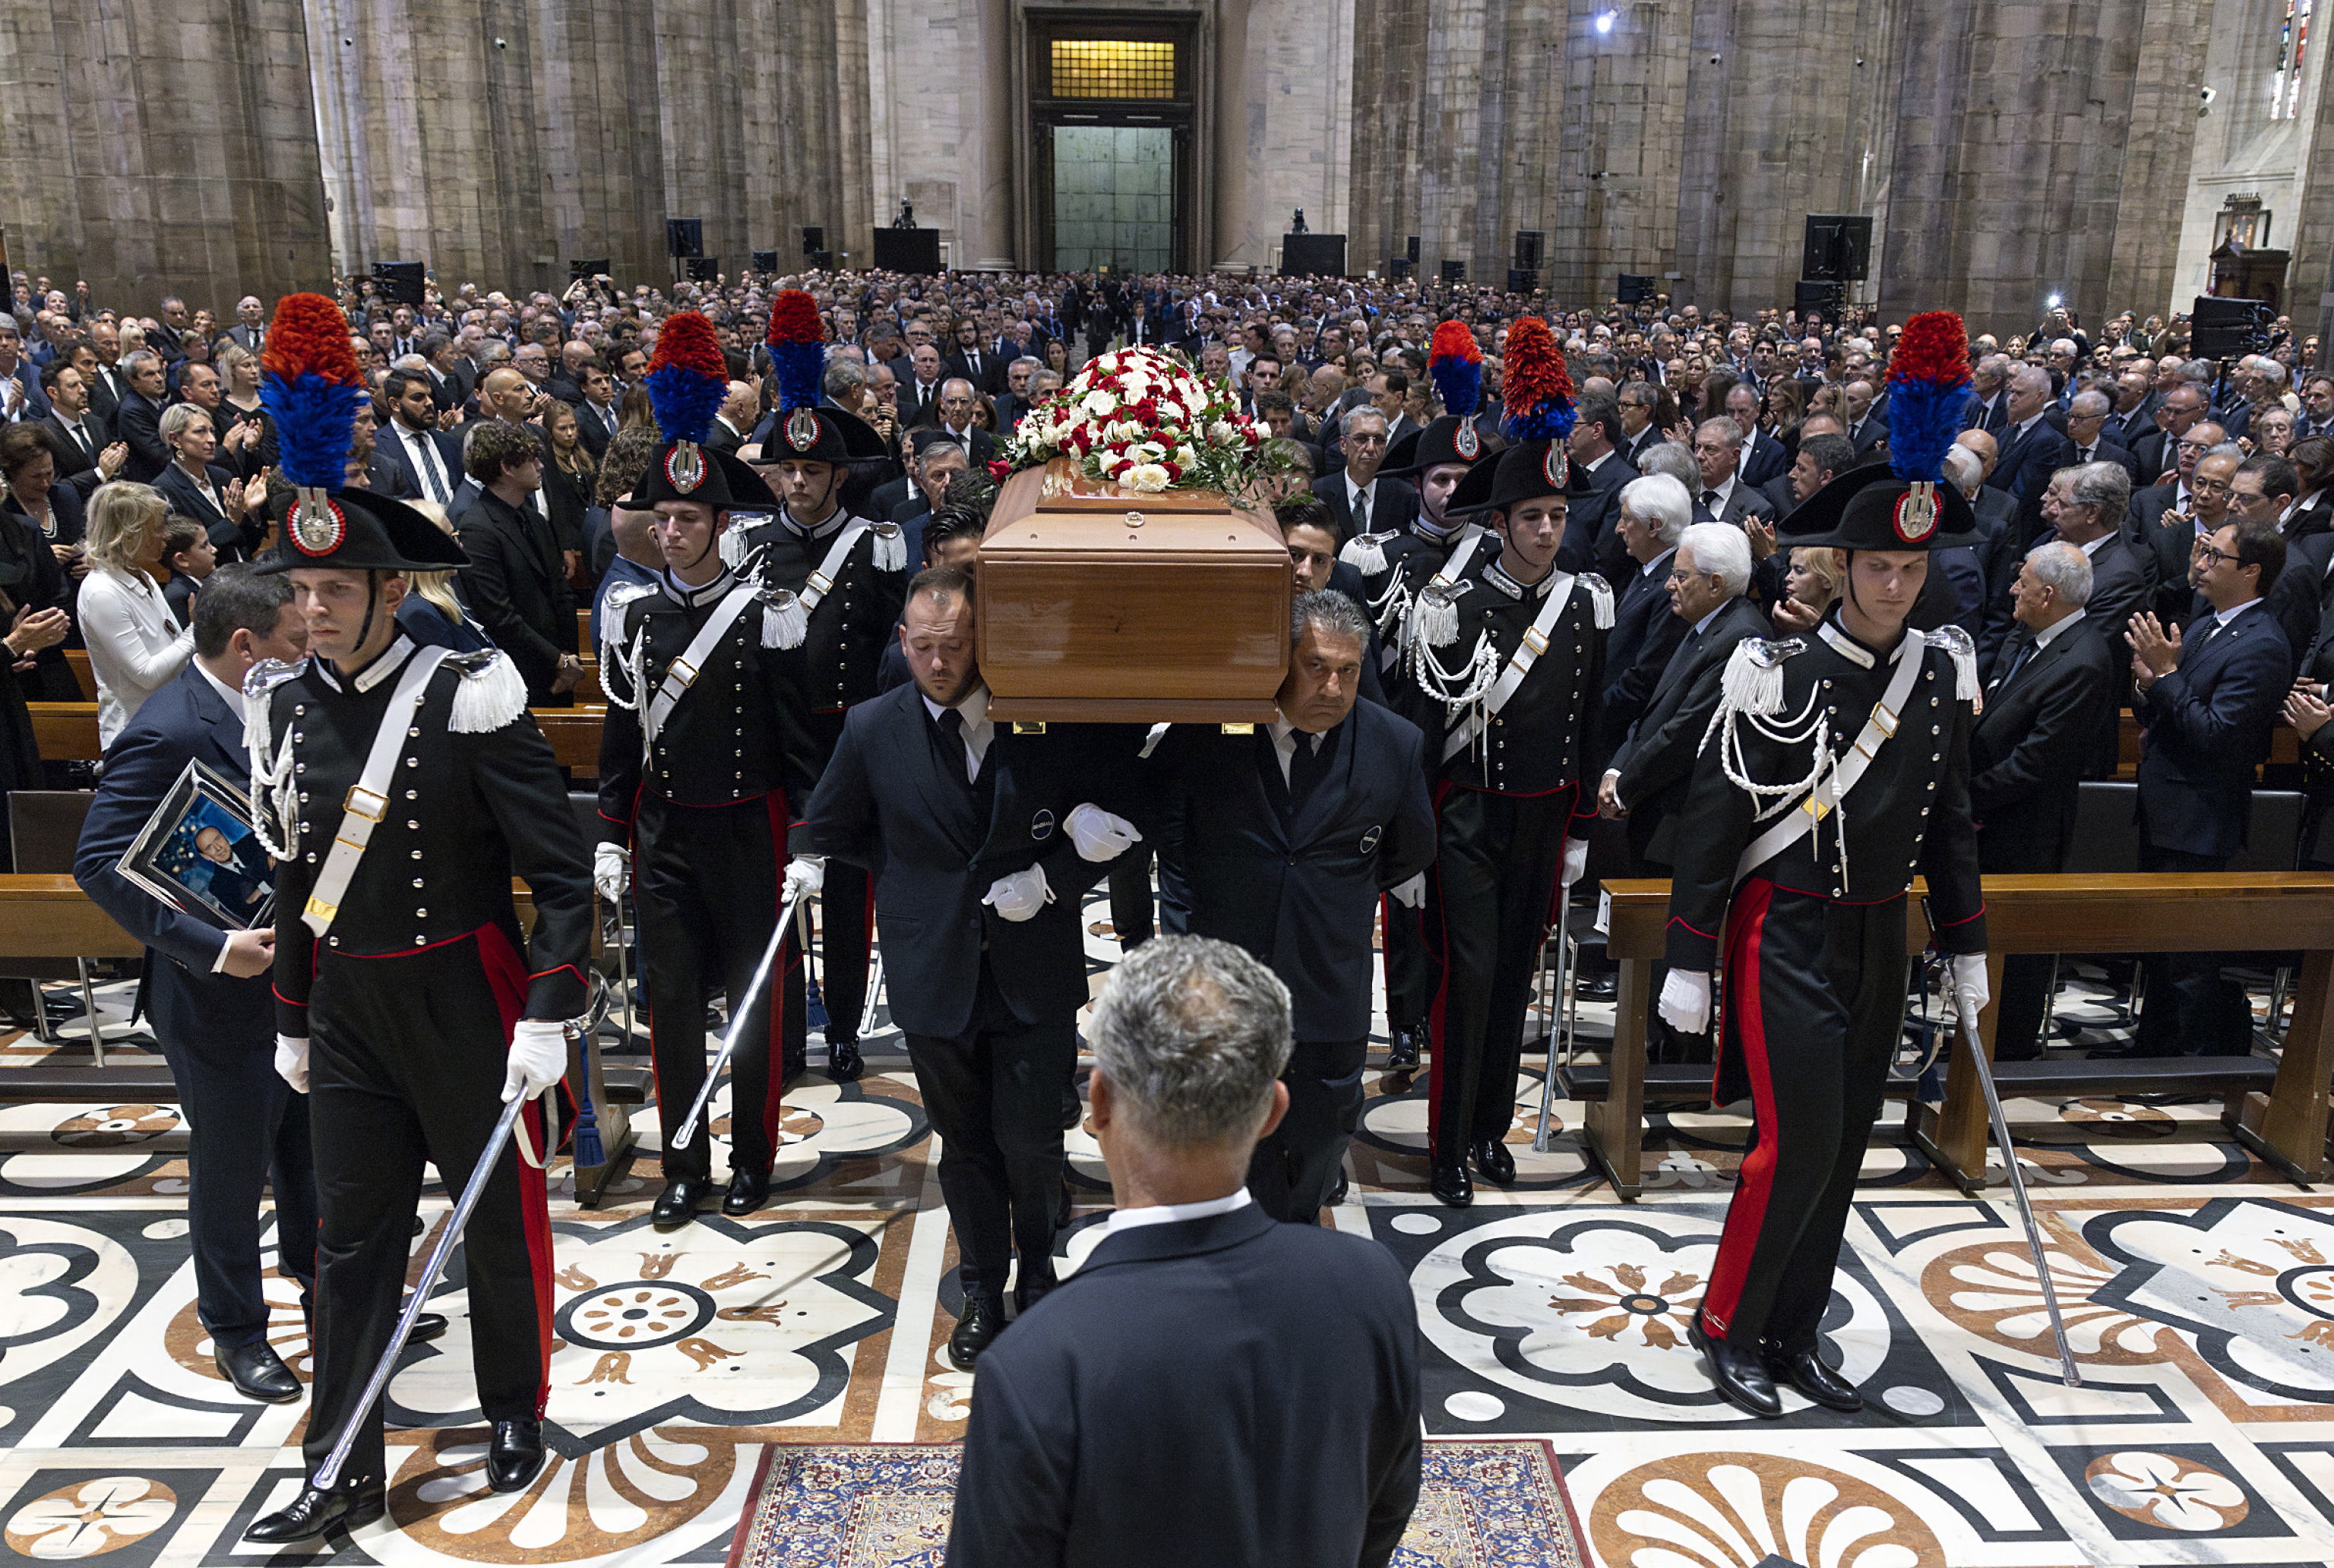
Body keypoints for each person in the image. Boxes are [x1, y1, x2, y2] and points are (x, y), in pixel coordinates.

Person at [241, 293, 591, 1541]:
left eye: (337, 586)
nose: (314, 608)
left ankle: (513, 1401)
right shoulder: (281, 708)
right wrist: (290, 1008)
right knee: (349, 1240)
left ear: (391, 588)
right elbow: (290, 872)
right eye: (302, 588)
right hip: (347, 1008)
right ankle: (338, 1459)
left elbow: (560, 866)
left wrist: (552, 1008)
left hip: (465, 988)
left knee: (496, 1215)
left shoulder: (469, 690)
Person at [1657, 314, 1988, 1420]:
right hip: (1784, 927)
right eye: (1878, 566)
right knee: (1789, 1144)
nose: (1898, 585)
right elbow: (1713, 819)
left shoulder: (1941, 676)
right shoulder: (1775, 668)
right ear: (1838, 566)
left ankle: (1798, 1329)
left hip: (1878, 935)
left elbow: (1953, 818)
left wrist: (1966, 940)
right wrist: (1690, 955)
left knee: (1847, 1147)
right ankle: (1732, 1326)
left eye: (1913, 566)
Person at [946, 935, 1421, 1568]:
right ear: (1274, 1110)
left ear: (1101, 1101)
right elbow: (1385, 1509)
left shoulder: (1038, 1361)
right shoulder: (1372, 1286)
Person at [804, 565, 1138, 1367]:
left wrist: (1054, 876)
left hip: (1032, 963)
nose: (941, 663)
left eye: (955, 646)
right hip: (933, 968)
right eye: (924, 648)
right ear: (903, 642)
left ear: (980, 639)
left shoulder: (1041, 712)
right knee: (965, 1142)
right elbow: (830, 825)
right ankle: (985, 1286)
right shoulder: (873, 727)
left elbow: (1121, 814)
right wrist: (900, 876)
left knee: (1029, 1139)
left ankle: (1038, 1267)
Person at [73, 567, 328, 1402]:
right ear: (246, 645)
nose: (307, 651)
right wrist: (213, 947)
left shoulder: (275, 707)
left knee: (309, 1154)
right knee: (230, 1171)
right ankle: (236, 1331)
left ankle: (329, 1295)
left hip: (294, 980)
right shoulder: (168, 727)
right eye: (294, 640)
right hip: (215, 995)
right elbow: (98, 862)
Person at [595, 319, 824, 1226]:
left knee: (758, 1010)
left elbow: (803, 745)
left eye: (692, 517)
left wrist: (808, 840)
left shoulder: (763, 615)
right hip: (667, 833)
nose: (677, 530)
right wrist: (612, 837)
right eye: (665, 518)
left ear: (723, 525)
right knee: (675, 1004)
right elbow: (623, 741)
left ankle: (753, 1156)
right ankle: (683, 1162)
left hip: (751, 829)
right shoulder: (634, 617)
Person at [1144, 593, 1434, 1222]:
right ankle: (1242, 1239)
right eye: (1316, 666)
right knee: (1232, 1125)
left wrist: (1329, 899)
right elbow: (1169, 833)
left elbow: (1409, 849)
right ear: (1282, 661)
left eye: (1349, 671)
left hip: (1330, 975)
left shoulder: (1395, 744)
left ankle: (1294, 1228)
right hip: (1230, 976)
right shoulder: (1211, 733)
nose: (1333, 686)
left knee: (1325, 1125)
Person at [1398, 408, 1609, 1209]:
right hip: (1468, 820)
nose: (1549, 531)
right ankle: (1448, 1143)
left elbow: (1591, 725)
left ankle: (1491, 1127)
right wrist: (1411, 846)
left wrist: (1582, 828)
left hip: (1543, 822)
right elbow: (1422, 735)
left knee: (1515, 979)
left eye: (1557, 516)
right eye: (1533, 517)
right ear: (1500, 522)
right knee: (1471, 980)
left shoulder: (1587, 605)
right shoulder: (1453, 606)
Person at [723, 296, 909, 1083]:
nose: (797, 483)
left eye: (812, 470)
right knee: (781, 891)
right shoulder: (746, 545)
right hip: (773, 741)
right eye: (786, 469)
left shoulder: (879, 546)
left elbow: (891, 652)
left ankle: (840, 1024)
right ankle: (789, 1020)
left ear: (839, 474)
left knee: (846, 894)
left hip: (847, 743)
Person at [2122, 516, 2294, 1056]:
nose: (2200, 564)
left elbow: (2216, 735)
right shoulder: (2206, 623)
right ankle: (2151, 1051)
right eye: (2203, 551)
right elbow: (2171, 709)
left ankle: (2184, 1065)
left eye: (2214, 556)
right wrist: (2150, 685)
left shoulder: (2264, 644)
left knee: (2187, 957)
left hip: (2200, 818)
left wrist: (2168, 678)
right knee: (2157, 947)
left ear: (2250, 572)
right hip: (2166, 807)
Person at [1598, 522, 1769, 1064]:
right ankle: (1658, 1051)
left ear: (1716, 584)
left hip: (1685, 820)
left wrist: (1627, 783)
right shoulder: (1705, 625)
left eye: (1681, 576)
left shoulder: (1740, 637)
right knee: (1654, 955)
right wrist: (1619, 766)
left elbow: (1687, 730)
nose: (1670, 585)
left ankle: (1677, 1066)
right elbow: (1656, 710)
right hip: (1658, 810)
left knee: (1676, 955)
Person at [1970, 541, 2114, 1060]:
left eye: (2022, 582)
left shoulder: (2084, 663)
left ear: (2048, 594)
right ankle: (1976, 1041)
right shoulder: (2027, 637)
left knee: (2017, 951)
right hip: (1992, 819)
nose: (2013, 589)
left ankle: (2007, 1054)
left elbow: (2034, 765)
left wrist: (1966, 805)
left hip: (2024, 830)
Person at [455, 420, 580, 705]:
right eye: (532, 460)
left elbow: (562, 594)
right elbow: (499, 616)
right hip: (519, 672)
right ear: (507, 469)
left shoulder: (534, 519)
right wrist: (557, 659)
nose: (541, 466)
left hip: (559, 668)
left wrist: (569, 660)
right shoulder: (477, 528)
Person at [79, 480, 194, 748]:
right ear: (127, 534)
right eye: (157, 529)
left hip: (165, 722)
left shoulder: (142, 575)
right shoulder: (102, 592)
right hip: (134, 737)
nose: (166, 535)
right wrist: (194, 633)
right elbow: (146, 674)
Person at [154, 403, 257, 562]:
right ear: (175, 439)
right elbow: (185, 551)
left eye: (212, 431)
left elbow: (249, 543)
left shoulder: (222, 476)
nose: (212, 440)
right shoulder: (162, 490)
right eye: (200, 432)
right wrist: (231, 521)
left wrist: (250, 511)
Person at [157, 514, 214, 628]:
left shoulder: (203, 580)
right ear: (181, 559)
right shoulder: (178, 596)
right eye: (204, 546)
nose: (213, 549)